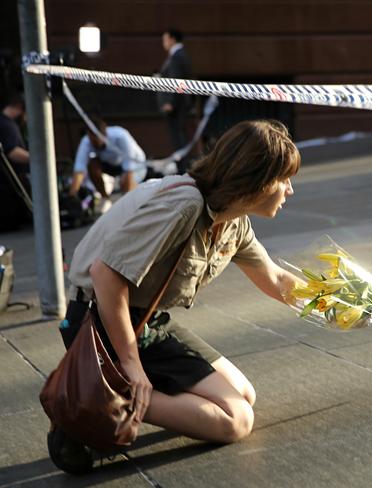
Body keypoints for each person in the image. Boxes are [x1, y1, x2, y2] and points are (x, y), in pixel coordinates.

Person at [48, 120, 302, 473]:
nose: (289, 190)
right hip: (101, 321)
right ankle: (97, 398)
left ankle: (123, 394)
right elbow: (104, 276)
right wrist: (133, 367)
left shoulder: (233, 220)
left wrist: (340, 301)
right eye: (283, 179)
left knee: (244, 394)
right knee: (236, 420)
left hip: (145, 320)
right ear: (254, 179)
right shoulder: (183, 206)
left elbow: (274, 278)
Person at [69, 116, 148, 214]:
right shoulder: (87, 141)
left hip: (136, 166)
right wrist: (72, 195)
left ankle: (129, 206)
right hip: (112, 165)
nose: (93, 144)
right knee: (92, 165)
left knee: (125, 183)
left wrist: (125, 201)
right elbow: (79, 170)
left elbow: (129, 170)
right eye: (91, 139)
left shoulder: (121, 136)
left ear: (104, 135)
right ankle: (105, 199)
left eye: (96, 140)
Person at [157, 28, 192, 172]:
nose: (163, 43)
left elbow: (176, 81)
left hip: (177, 105)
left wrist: (170, 103)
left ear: (172, 39)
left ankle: (183, 169)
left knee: (178, 137)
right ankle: (182, 168)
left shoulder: (178, 55)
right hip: (177, 104)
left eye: (165, 39)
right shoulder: (176, 55)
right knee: (177, 137)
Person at [0, 94, 31, 230]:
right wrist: (40, 158)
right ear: (19, 108)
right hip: (10, 187)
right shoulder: (8, 126)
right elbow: (13, 152)